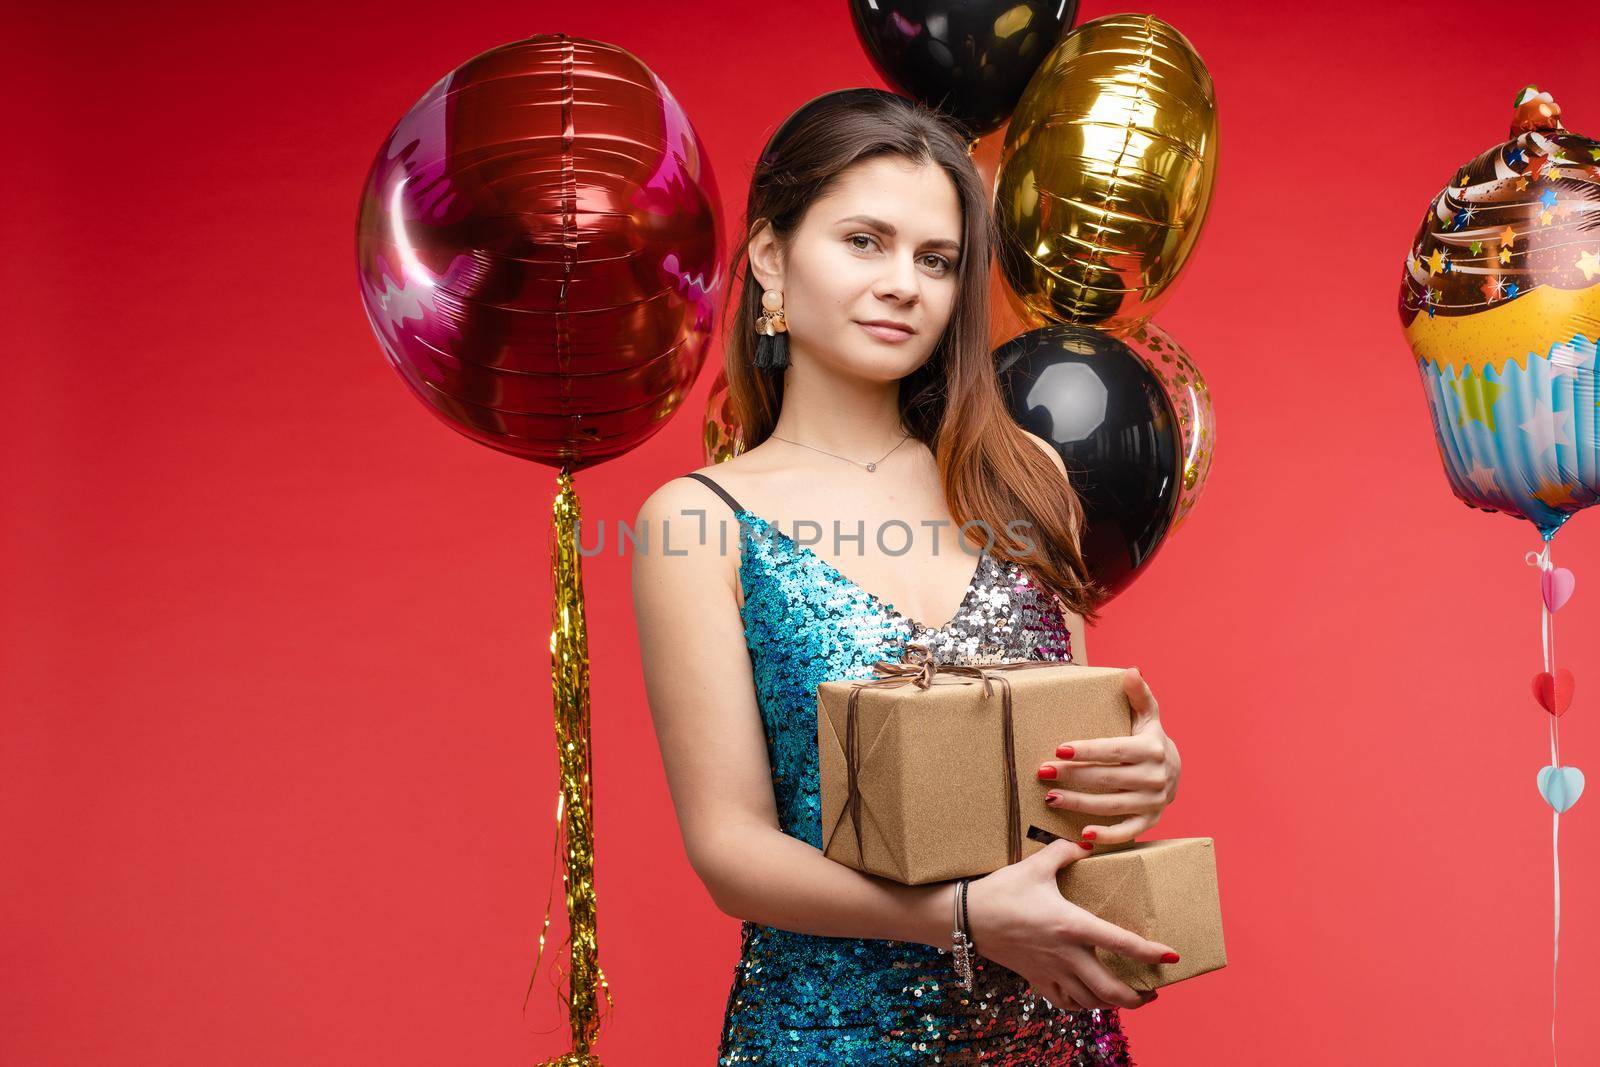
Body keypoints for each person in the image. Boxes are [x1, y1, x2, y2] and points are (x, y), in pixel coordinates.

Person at [631, 90, 1183, 1065]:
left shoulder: (1025, 476)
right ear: (770, 257)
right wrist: (963, 913)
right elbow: (728, 846)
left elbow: (1064, 777)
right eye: (864, 241)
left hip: (1054, 1037)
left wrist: (1139, 776)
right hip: (829, 1034)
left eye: (936, 260)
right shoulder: (699, 519)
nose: (903, 284)